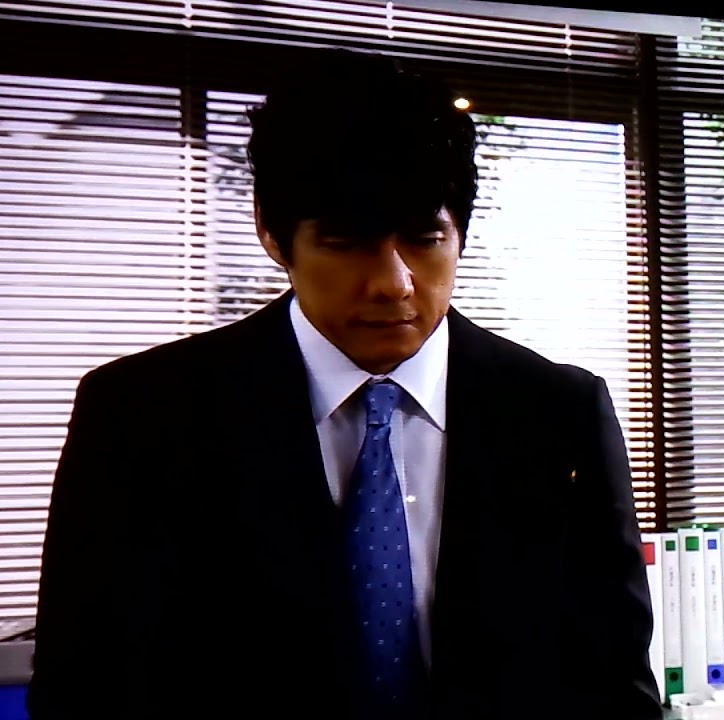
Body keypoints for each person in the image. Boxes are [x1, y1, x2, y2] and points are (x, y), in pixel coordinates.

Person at [27, 49, 662, 720]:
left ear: (460, 234)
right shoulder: (143, 415)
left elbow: (615, 686)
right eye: (347, 242)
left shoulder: (557, 413)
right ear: (272, 234)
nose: (393, 282)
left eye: (425, 238)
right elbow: (81, 686)